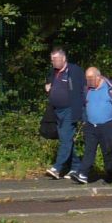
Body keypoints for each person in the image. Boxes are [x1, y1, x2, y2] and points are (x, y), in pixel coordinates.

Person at [70, 66, 112, 184]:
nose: (88, 81)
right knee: (89, 151)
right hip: (91, 125)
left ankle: (111, 175)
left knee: (108, 151)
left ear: (98, 76)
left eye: (91, 78)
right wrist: (85, 120)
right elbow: (83, 105)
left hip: (107, 125)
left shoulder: (111, 87)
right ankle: (83, 174)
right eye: (87, 79)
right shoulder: (87, 89)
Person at [44, 47, 84, 180]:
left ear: (63, 58)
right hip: (56, 111)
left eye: (55, 59)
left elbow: (82, 89)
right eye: (52, 60)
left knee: (66, 138)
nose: (53, 62)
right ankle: (76, 166)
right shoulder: (53, 72)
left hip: (70, 110)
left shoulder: (74, 70)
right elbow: (50, 84)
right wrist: (48, 88)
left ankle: (57, 167)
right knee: (65, 139)